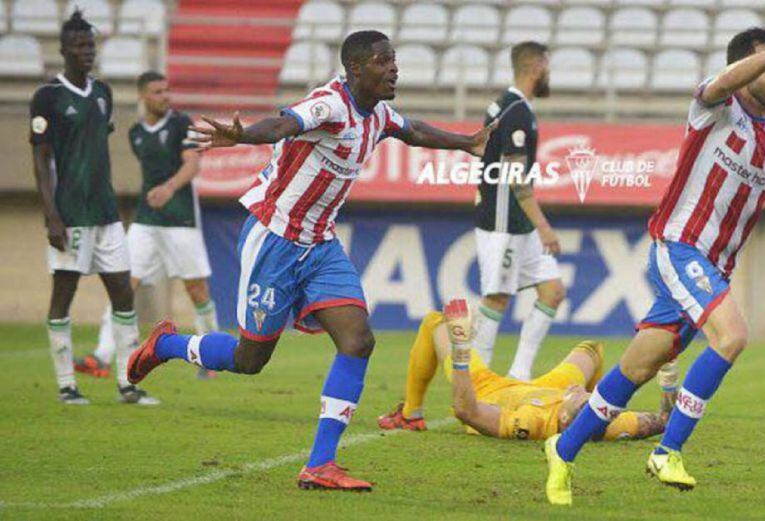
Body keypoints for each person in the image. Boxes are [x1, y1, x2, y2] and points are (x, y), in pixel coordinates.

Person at [125, 30, 493, 491]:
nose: (393, 68)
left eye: (394, 59)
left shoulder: (376, 114)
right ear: (356, 69)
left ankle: (320, 464)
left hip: (320, 246)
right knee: (248, 358)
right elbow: (284, 124)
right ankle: (165, 346)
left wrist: (467, 143)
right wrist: (242, 136)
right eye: (383, 61)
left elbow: (414, 130)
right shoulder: (331, 104)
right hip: (274, 240)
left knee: (358, 340)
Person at [543, 25, 765, 506]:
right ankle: (668, 450)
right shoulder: (715, 104)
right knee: (733, 335)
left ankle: (563, 448)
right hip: (679, 245)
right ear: (747, 69)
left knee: (639, 365)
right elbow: (722, 82)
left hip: (714, 264)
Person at [30, 10, 153, 405]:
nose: (87, 52)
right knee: (62, 296)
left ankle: (126, 382)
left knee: (123, 294)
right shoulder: (47, 97)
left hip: (106, 213)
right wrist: (51, 214)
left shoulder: (103, 93)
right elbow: (40, 160)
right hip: (70, 215)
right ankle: (67, 385)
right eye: (79, 46)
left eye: (91, 45)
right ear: (63, 50)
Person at [76, 71, 218, 381]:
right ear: (143, 96)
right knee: (124, 284)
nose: (165, 96)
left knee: (196, 290)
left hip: (181, 218)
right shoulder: (136, 133)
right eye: (157, 91)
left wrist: (169, 188)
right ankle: (101, 355)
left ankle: (210, 357)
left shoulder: (185, 123)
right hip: (146, 219)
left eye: (167, 90)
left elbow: (192, 164)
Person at [377, 300, 672, 441]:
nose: (585, 393)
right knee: (592, 349)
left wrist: (461, 346)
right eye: (591, 398)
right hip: (548, 389)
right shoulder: (613, 423)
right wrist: (668, 387)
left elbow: (467, 410)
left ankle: (410, 415)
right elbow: (661, 421)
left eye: (584, 399)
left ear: (567, 418)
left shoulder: (530, 422)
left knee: (433, 321)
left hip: (488, 390)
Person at [472, 41, 566, 380]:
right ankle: (476, 381)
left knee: (553, 291)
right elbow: (515, 176)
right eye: (547, 66)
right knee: (496, 298)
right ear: (537, 65)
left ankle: (518, 376)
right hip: (503, 223)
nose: (548, 73)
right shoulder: (515, 112)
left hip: (517, 222)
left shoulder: (508, 106)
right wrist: (544, 227)